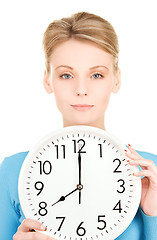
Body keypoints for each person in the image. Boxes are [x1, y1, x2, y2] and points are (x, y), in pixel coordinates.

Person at [0, 11, 157, 240]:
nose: (81, 89)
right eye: (66, 75)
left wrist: (152, 214)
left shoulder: (149, 173)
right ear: (47, 80)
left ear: (116, 80)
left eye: (96, 75)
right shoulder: (13, 172)